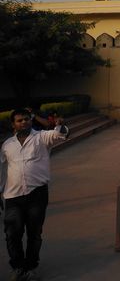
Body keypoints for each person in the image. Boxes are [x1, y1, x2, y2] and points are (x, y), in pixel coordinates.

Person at [1, 109, 69, 281]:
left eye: (26, 119)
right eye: (19, 120)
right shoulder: (7, 145)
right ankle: (17, 267)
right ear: (13, 124)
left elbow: (61, 135)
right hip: (12, 196)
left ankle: (31, 267)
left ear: (30, 121)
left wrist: (60, 125)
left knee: (34, 233)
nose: (23, 122)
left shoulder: (41, 137)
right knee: (12, 233)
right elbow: (2, 169)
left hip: (36, 194)